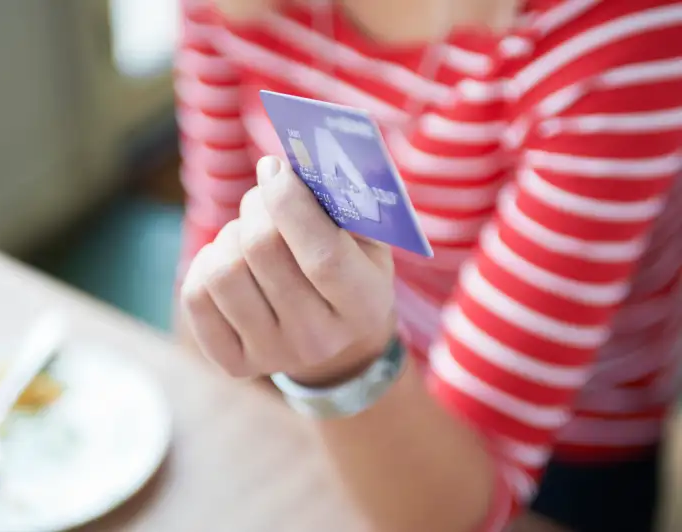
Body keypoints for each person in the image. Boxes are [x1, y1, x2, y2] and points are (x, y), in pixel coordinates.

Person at [174, 0, 682, 530]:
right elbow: (210, 257)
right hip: (314, 377)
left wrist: (341, 368)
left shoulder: (615, 30)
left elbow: (456, 512)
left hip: (563, 446)